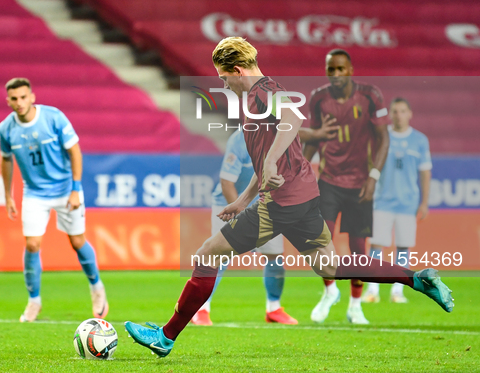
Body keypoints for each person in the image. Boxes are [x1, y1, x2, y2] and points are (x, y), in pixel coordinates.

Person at [124, 37, 453, 358]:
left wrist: (269, 161)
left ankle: (165, 336)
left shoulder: (263, 91)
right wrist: (243, 200)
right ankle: (417, 279)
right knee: (330, 266)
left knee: (207, 255)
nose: (223, 85)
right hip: (301, 196)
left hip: (282, 202)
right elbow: (267, 156)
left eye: (224, 78)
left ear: (238, 70)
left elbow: (293, 120)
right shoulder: (258, 96)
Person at [192, 121, 338, 326]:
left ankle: (274, 308)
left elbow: (295, 133)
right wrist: (238, 218)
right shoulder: (239, 141)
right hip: (229, 203)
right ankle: (201, 309)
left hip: (265, 204)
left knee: (275, 256)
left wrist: (317, 133)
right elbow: (226, 182)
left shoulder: (274, 137)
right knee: (218, 256)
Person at [0, 77, 108, 322]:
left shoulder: (53, 117)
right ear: (8, 101)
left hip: (65, 188)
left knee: (77, 241)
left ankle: (96, 287)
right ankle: (34, 301)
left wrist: (76, 188)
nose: (19, 102)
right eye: (14, 99)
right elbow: (6, 159)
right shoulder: (6, 128)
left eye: (23, 97)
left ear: (32, 97)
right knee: (32, 244)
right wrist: (7, 194)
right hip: (34, 192)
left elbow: (74, 150)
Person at [304, 49, 390, 325]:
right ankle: (330, 291)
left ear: (351, 69)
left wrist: (374, 177)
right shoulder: (318, 98)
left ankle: (355, 305)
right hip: (328, 181)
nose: (336, 74)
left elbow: (383, 139)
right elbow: (314, 140)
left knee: (357, 249)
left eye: (341, 69)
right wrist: (299, 170)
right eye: (331, 69)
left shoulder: (370, 96)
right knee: (319, 241)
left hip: (360, 184)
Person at [363, 97, 432, 303]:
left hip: (407, 203)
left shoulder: (420, 140)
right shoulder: (381, 138)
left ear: (409, 114)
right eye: (395, 111)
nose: (398, 115)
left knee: (403, 246)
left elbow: (425, 173)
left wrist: (424, 202)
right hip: (382, 200)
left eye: (402, 111)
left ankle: (397, 291)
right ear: (390, 114)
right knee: (376, 245)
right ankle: (372, 290)